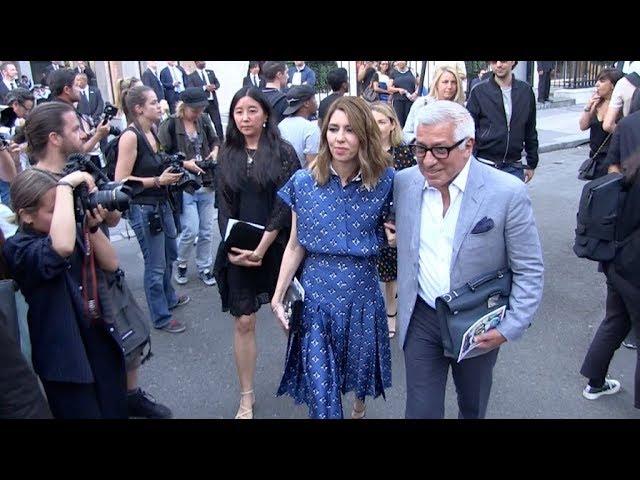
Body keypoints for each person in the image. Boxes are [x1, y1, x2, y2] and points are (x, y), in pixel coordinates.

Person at [392, 100, 544, 419]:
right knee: (421, 412)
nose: (428, 161)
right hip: (421, 315)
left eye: (440, 150)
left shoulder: (507, 192)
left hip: (477, 322)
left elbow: (529, 270)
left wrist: (510, 325)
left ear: (468, 145)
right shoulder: (404, 183)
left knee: (472, 406)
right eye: (421, 149)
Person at [23, 100, 173, 418]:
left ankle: (127, 397)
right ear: (54, 137)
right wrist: (66, 192)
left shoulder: (80, 168)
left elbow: (112, 226)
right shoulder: (37, 189)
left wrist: (95, 218)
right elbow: (59, 247)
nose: (85, 132)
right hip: (64, 307)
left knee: (117, 361)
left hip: (95, 284)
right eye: (75, 128)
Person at [271, 96, 395, 419]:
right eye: (333, 129)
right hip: (315, 303)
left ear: (364, 135)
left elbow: (402, 231)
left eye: (350, 130)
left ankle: (359, 405)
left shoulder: (386, 182)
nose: (340, 138)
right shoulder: (303, 182)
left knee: (357, 376)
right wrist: (278, 293)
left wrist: (396, 237)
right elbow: (296, 245)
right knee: (323, 398)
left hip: (362, 298)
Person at [3, 168, 128, 418]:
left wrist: (90, 229)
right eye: (55, 209)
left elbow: (112, 263)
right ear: (26, 216)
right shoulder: (18, 248)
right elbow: (59, 247)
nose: (64, 214)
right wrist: (64, 186)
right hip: (65, 362)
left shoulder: (69, 230)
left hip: (97, 343)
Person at [213, 86, 300, 419]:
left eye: (252, 110)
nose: (245, 117)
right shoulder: (227, 154)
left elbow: (285, 203)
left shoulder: (283, 152)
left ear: (265, 114)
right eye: (239, 111)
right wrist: (232, 247)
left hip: (279, 247)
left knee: (289, 320)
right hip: (240, 248)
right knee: (244, 322)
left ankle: (308, 380)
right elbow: (223, 205)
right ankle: (246, 396)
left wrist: (263, 247)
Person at [114, 85, 199, 334]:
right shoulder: (130, 137)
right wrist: (157, 182)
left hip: (162, 204)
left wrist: (183, 165)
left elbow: (159, 161)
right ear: (138, 108)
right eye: (153, 102)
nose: (159, 104)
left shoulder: (151, 130)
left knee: (170, 253)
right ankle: (160, 316)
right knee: (155, 264)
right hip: (144, 208)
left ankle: (169, 297)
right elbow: (121, 180)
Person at [579, 109, 640, 409]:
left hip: (618, 242)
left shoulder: (628, 124)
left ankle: (594, 381)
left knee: (616, 317)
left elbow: (612, 172)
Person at [158, 87, 220, 286]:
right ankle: (181, 262)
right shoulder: (169, 125)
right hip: (184, 184)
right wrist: (185, 164)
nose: (199, 112)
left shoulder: (203, 120)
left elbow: (215, 140)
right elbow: (161, 156)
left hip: (207, 181)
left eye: (201, 108)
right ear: (183, 107)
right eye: (195, 109)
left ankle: (204, 267)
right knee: (190, 230)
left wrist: (215, 151)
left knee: (206, 230)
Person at [369, 101, 416, 339]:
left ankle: (393, 313)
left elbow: (415, 186)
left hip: (398, 217)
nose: (377, 127)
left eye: (382, 121)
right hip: (371, 217)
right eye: (373, 121)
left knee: (397, 269)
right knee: (378, 270)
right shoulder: (365, 152)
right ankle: (379, 313)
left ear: (392, 125)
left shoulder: (405, 152)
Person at [466, 60, 539, 183]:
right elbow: (468, 130)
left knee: (514, 202)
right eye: (494, 61)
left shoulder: (525, 91)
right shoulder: (479, 91)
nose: (499, 65)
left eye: (503, 61)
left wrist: (531, 163)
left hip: (513, 167)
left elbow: (530, 129)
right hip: (485, 165)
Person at [578, 68, 624, 179]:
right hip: (596, 157)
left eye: (602, 81)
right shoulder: (597, 102)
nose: (597, 84)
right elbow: (583, 126)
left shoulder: (621, 107)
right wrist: (588, 107)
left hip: (612, 159)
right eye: (597, 80)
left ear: (613, 85)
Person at [403, 65, 465, 145]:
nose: (449, 86)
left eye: (453, 82)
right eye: (445, 82)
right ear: (436, 84)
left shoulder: (460, 107)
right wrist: (420, 143)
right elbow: (406, 133)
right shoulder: (422, 104)